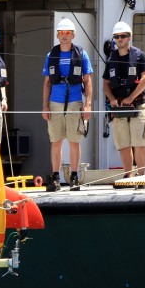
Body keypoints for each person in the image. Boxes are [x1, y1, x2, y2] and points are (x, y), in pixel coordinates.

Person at [41, 18, 93, 191]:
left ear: (73, 35)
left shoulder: (81, 54)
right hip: (55, 103)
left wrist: (88, 105)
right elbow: (47, 82)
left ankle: (74, 177)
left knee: (74, 141)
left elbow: (88, 80)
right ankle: (55, 178)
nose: (64, 36)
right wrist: (45, 106)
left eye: (68, 33)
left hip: (75, 102)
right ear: (57, 35)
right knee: (56, 141)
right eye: (62, 33)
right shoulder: (51, 55)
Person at [102, 21, 145, 178]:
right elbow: (105, 83)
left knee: (139, 142)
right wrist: (111, 98)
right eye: (117, 37)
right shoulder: (111, 59)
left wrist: (131, 97)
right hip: (118, 107)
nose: (120, 39)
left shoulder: (140, 56)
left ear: (129, 37)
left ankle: (142, 176)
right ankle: (128, 175)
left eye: (123, 36)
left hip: (137, 105)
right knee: (123, 143)